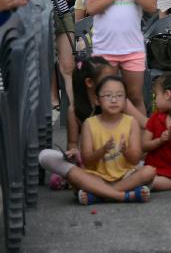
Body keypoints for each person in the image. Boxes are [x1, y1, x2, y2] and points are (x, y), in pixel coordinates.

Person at [40, 75, 155, 205]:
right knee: (73, 174)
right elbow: (88, 161)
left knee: (149, 172)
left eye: (119, 96)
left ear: (125, 100)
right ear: (97, 100)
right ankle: (123, 195)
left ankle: (99, 195)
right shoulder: (89, 124)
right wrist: (103, 150)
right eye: (108, 95)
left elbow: (135, 159)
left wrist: (125, 151)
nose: (114, 100)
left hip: (125, 176)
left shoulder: (131, 122)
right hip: (97, 177)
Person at [83, 0, 157, 112]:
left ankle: (138, 137)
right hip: (104, 50)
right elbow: (92, 8)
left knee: (135, 96)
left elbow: (151, 6)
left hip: (133, 49)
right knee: (105, 97)